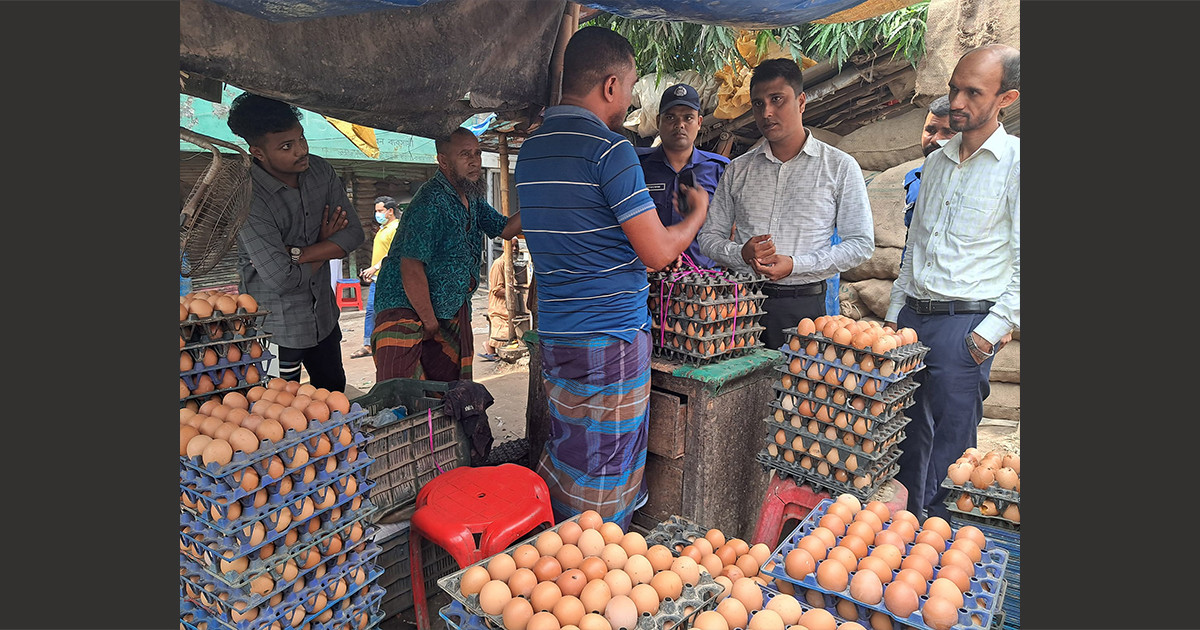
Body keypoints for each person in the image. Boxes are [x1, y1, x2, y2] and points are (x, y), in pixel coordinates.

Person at [515, 26, 711, 529]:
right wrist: (695, 214)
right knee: (606, 468)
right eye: (629, 88)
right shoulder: (610, 151)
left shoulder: (532, 152)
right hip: (610, 337)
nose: (629, 101)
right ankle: (594, 571)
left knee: (571, 450)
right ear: (609, 86)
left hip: (557, 333)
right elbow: (657, 252)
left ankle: (559, 556)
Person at [886, 44, 1020, 520]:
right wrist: (892, 317)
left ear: (1006, 98)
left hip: (965, 327)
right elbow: (914, 249)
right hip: (911, 319)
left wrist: (989, 332)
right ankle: (904, 532)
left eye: (972, 92)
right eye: (953, 89)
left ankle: (940, 551)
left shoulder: (1017, 164)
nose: (957, 102)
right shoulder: (937, 162)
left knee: (953, 451)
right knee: (902, 435)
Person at [697, 58, 874, 352]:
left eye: (777, 99)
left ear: (801, 101)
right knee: (737, 392)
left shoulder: (839, 167)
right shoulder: (738, 170)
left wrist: (795, 265)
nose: (766, 112)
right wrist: (741, 252)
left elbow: (861, 244)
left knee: (795, 393)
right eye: (757, 103)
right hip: (741, 304)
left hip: (804, 306)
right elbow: (708, 238)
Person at [227, 93, 364, 392]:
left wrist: (302, 252)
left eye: (301, 139)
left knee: (333, 398)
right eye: (287, 147)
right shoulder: (249, 197)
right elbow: (281, 279)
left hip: (324, 320)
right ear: (258, 153)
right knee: (278, 412)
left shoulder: (321, 171)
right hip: (277, 331)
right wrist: (327, 245)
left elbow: (354, 234)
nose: (301, 151)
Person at [371, 127, 521, 382]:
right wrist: (429, 321)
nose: (474, 161)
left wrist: (544, 200)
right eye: (465, 154)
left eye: (477, 153)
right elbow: (411, 266)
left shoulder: (471, 197)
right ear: (443, 161)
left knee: (451, 395)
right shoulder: (430, 202)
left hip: (448, 308)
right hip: (407, 309)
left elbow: (505, 229)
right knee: (404, 395)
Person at [636, 83, 729, 269]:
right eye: (670, 117)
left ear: (699, 122)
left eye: (688, 118)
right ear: (658, 121)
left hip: (705, 284)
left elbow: (732, 230)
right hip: (651, 281)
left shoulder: (720, 169)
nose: (680, 125)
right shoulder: (637, 166)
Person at [901, 95, 954, 262]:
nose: (936, 140)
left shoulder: (982, 180)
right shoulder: (914, 179)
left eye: (948, 132)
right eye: (930, 130)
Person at [351, 196, 401, 359]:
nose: (377, 214)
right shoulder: (382, 228)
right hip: (378, 278)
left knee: (389, 311)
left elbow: (394, 253)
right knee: (372, 310)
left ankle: (391, 343)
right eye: (376, 211)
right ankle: (369, 344)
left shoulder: (396, 228)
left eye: (380, 211)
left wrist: (375, 268)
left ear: (390, 211)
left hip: (389, 278)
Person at [481, 238, 520, 361]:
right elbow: (496, 290)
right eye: (512, 246)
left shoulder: (513, 263)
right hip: (500, 308)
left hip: (510, 306)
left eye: (516, 246)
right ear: (504, 248)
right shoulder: (499, 264)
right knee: (507, 335)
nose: (514, 249)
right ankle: (489, 347)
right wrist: (513, 292)